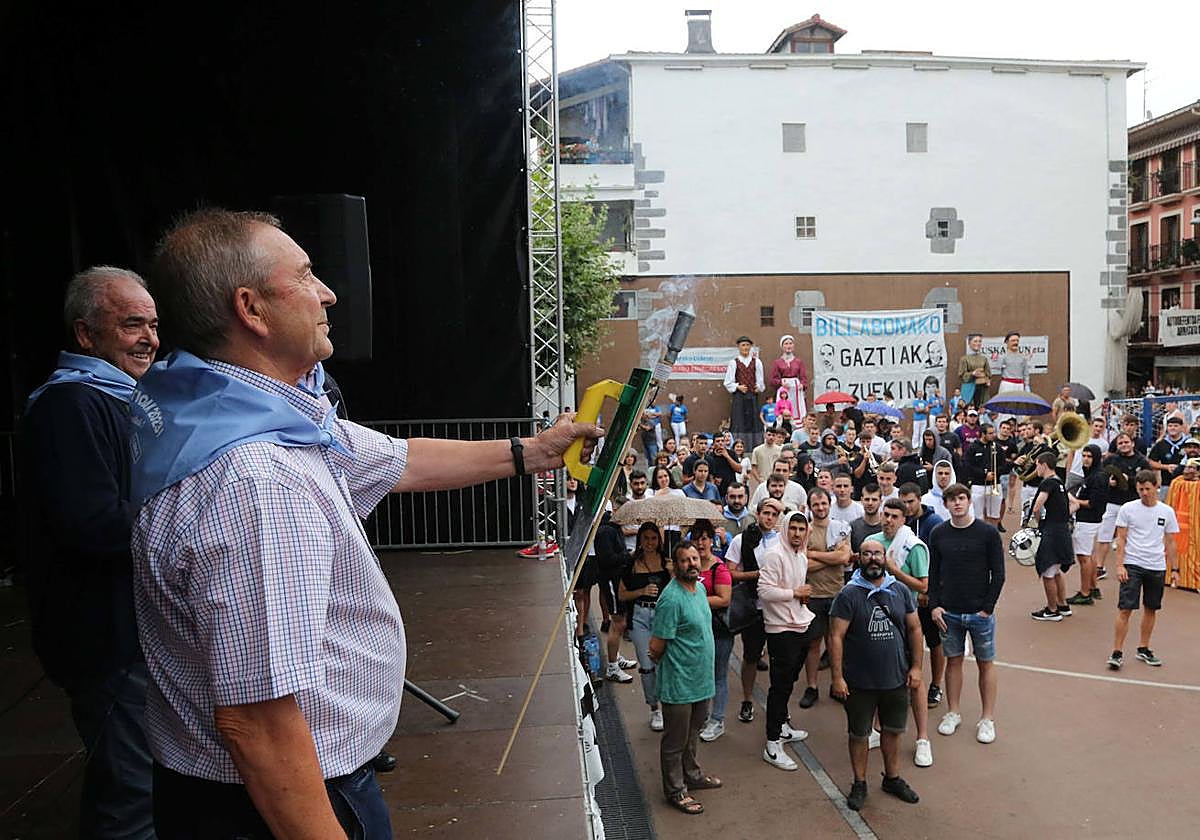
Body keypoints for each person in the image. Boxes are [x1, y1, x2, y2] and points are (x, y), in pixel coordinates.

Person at [128, 210, 602, 837]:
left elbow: (397, 460)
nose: (327, 291)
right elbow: (259, 721)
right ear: (251, 308)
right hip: (277, 802)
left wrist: (533, 452)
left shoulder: (231, 413)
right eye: (305, 275)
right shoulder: (259, 483)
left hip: (242, 791)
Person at [19, 266, 160, 839]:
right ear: (85, 334)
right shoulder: (70, 404)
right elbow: (93, 523)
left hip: (130, 632)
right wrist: (188, 521)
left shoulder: (121, 398)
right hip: (105, 638)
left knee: (142, 784)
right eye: (132, 324)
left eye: (153, 324)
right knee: (132, 797)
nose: (149, 337)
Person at [830, 539, 924, 810]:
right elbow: (836, 636)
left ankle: (892, 778)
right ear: (859, 558)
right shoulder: (849, 594)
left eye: (878, 554)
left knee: (893, 731)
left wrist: (916, 667)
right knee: (859, 734)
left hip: (895, 677)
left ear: (886, 557)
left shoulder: (900, 591)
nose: (873, 559)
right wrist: (837, 677)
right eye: (867, 554)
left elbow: (915, 629)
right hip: (859, 681)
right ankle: (859, 783)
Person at [648, 541, 722, 816]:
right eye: (685, 560)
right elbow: (656, 646)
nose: (692, 563)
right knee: (675, 740)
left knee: (693, 734)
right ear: (675, 565)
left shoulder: (700, 588)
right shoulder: (670, 598)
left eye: (694, 558)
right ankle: (676, 790)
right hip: (679, 683)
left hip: (701, 680)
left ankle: (692, 775)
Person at [928, 484, 1005, 745]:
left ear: (969, 501)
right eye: (952, 499)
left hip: (979, 613)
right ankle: (953, 712)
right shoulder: (938, 534)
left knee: (986, 662)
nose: (957, 503)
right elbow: (934, 572)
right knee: (954, 661)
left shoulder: (987, 533)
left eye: (961, 498)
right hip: (949, 612)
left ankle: (987, 718)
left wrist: (987, 608)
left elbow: (999, 573)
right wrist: (935, 605)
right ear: (947, 504)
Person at [758, 512, 818, 771]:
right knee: (779, 686)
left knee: (790, 681)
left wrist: (800, 597)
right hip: (780, 630)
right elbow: (764, 591)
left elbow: (795, 589)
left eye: (800, 529)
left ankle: (782, 725)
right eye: (792, 528)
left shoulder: (800, 556)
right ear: (786, 530)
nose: (796, 533)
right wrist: (795, 593)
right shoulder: (774, 554)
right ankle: (772, 744)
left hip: (800, 625)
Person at [1107, 471, 1180, 670]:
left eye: (1148, 489)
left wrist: (1175, 569)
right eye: (1140, 490)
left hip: (1156, 566)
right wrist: (1120, 565)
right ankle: (1117, 651)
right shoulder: (1128, 509)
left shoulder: (1166, 512)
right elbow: (1121, 538)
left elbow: (1171, 541)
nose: (1144, 493)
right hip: (1133, 564)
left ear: (1156, 486)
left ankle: (1143, 648)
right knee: (1125, 608)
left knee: (1151, 608)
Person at [725, 498, 784, 723]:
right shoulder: (742, 540)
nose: (769, 518)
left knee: (778, 659)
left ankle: (779, 704)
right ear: (758, 514)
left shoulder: (781, 541)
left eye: (774, 515)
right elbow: (730, 573)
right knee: (751, 656)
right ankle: (748, 699)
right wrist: (757, 575)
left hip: (777, 608)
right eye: (766, 513)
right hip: (753, 607)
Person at [799, 488, 851, 710]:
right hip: (812, 594)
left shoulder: (840, 529)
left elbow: (844, 557)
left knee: (836, 641)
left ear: (829, 505)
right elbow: (802, 564)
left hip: (836, 593)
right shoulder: (804, 531)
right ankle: (812, 687)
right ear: (810, 507)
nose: (820, 508)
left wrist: (814, 554)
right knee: (813, 643)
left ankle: (837, 682)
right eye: (816, 504)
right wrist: (832, 558)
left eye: (823, 504)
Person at [621, 522, 673, 730]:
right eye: (646, 538)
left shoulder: (667, 561)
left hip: (662, 616)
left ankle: (668, 703)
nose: (650, 543)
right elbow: (622, 594)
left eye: (653, 538)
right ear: (640, 540)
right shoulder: (631, 563)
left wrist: (672, 574)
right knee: (647, 664)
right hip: (640, 617)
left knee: (664, 663)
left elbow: (678, 591)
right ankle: (654, 708)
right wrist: (642, 591)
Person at [688, 521, 734, 743]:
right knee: (699, 674)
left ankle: (717, 719)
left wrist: (696, 600)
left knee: (718, 675)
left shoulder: (719, 568)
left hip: (718, 631)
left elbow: (724, 599)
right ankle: (702, 716)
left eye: (705, 538)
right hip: (694, 632)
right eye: (696, 538)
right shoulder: (689, 567)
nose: (700, 543)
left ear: (712, 541)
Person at [1025, 453, 1075, 621]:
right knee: (1057, 571)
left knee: (1048, 573)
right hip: (1062, 530)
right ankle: (1063, 605)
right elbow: (1073, 503)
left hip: (1052, 532)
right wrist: (1061, 515)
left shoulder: (1047, 483)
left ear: (1044, 465)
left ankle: (1052, 610)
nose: (1036, 469)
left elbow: (1037, 505)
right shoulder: (1060, 482)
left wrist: (1038, 520)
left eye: (1037, 465)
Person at [1095, 433, 1152, 583]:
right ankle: (1099, 567)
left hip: (1133, 504)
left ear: (1132, 443)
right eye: (1120, 443)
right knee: (1104, 535)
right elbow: (1099, 477)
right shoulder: (1111, 460)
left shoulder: (1141, 461)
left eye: (1126, 442)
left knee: (1132, 538)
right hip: (1112, 503)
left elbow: (1148, 482)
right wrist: (1108, 482)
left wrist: (1130, 480)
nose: (1124, 445)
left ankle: (1134, 568)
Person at [1062, 444, 1110, 606]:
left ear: (1096, 458)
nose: (1086, 459)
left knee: (1083, 557)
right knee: (1088, 555)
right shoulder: (1091, 475)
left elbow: (1093, 503)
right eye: (1084, 456)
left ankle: (1085, 593)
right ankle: (1093, 587)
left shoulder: (1098, 476)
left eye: (1089, 456)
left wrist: (1073, 500)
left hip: (1089, 520)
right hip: (1086, 519)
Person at [725, 336, 765, 449]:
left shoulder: (757, 362)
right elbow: (728, 382)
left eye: (748, 345)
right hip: (739, 397)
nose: (745, 347)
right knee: (739, 421)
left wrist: (758, 387)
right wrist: (738, 387)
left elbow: (761, 382)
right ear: (738, 347)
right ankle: (739, 447)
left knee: (754, 421)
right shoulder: (734, 363)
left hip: (752, 397)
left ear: (751, 347)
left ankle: (754, 447)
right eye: (743, 345)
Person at [1166, 458, 1200, 590]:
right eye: (1187, 467)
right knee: (1174, 550)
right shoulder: (1176, 483)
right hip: (1177, 526)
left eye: (1192, 468)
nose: (1188, 470)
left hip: (1195, 526)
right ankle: (1171, 577)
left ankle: (1194, 582)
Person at [965, 423, 1003, 528]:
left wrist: (994, 473)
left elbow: (1003, 465)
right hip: (978, 485)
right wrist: (984, 475)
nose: (993, 435)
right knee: (978, 516)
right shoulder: (972, 447)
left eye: (993, 433)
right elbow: (968, 466)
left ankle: (994, 536)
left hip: (995, 485)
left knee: (994, 515)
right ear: (983, 434)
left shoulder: (997, 447)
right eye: (990, 433)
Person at [770, 334, 808, 422]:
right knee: (784, 407)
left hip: (796, 390)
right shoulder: (777, 362)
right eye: (786, 344)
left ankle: (798, 423)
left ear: (793, 346)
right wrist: (781, 383)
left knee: (796, 408)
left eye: (790, 343)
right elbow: (773, 379)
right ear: (782, 346)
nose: (788, 346)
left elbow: (803, 377)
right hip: (784, 389)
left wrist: (802, 385)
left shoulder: (798, 362)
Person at [1148, 415, 1188, 498]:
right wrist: (1166, 467)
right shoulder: (1160, 444)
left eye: (1176, 426)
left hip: (1187, 484)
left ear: (1181, 427)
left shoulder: (1189, 443)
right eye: (1170, 426)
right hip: (1166, 485)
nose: (1172, 428)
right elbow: (1150, 462)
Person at [849, 484, 886, 565]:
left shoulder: (887, 526)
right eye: (867, 499)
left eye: (874, 500)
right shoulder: (853, 527)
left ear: (881, 501)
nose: (870, 503)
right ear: (861, 500)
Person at [957, 333, 992, 409]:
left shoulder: (983, 358)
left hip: (982, 390)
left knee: (982, 410)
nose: (978, 343)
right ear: (969, 343)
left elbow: (988, 373)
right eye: (975, 341)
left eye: (979, 341)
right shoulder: (964, 359)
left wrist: (987, 379)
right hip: (969, 389)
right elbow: (961, 375)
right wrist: (973, 374)